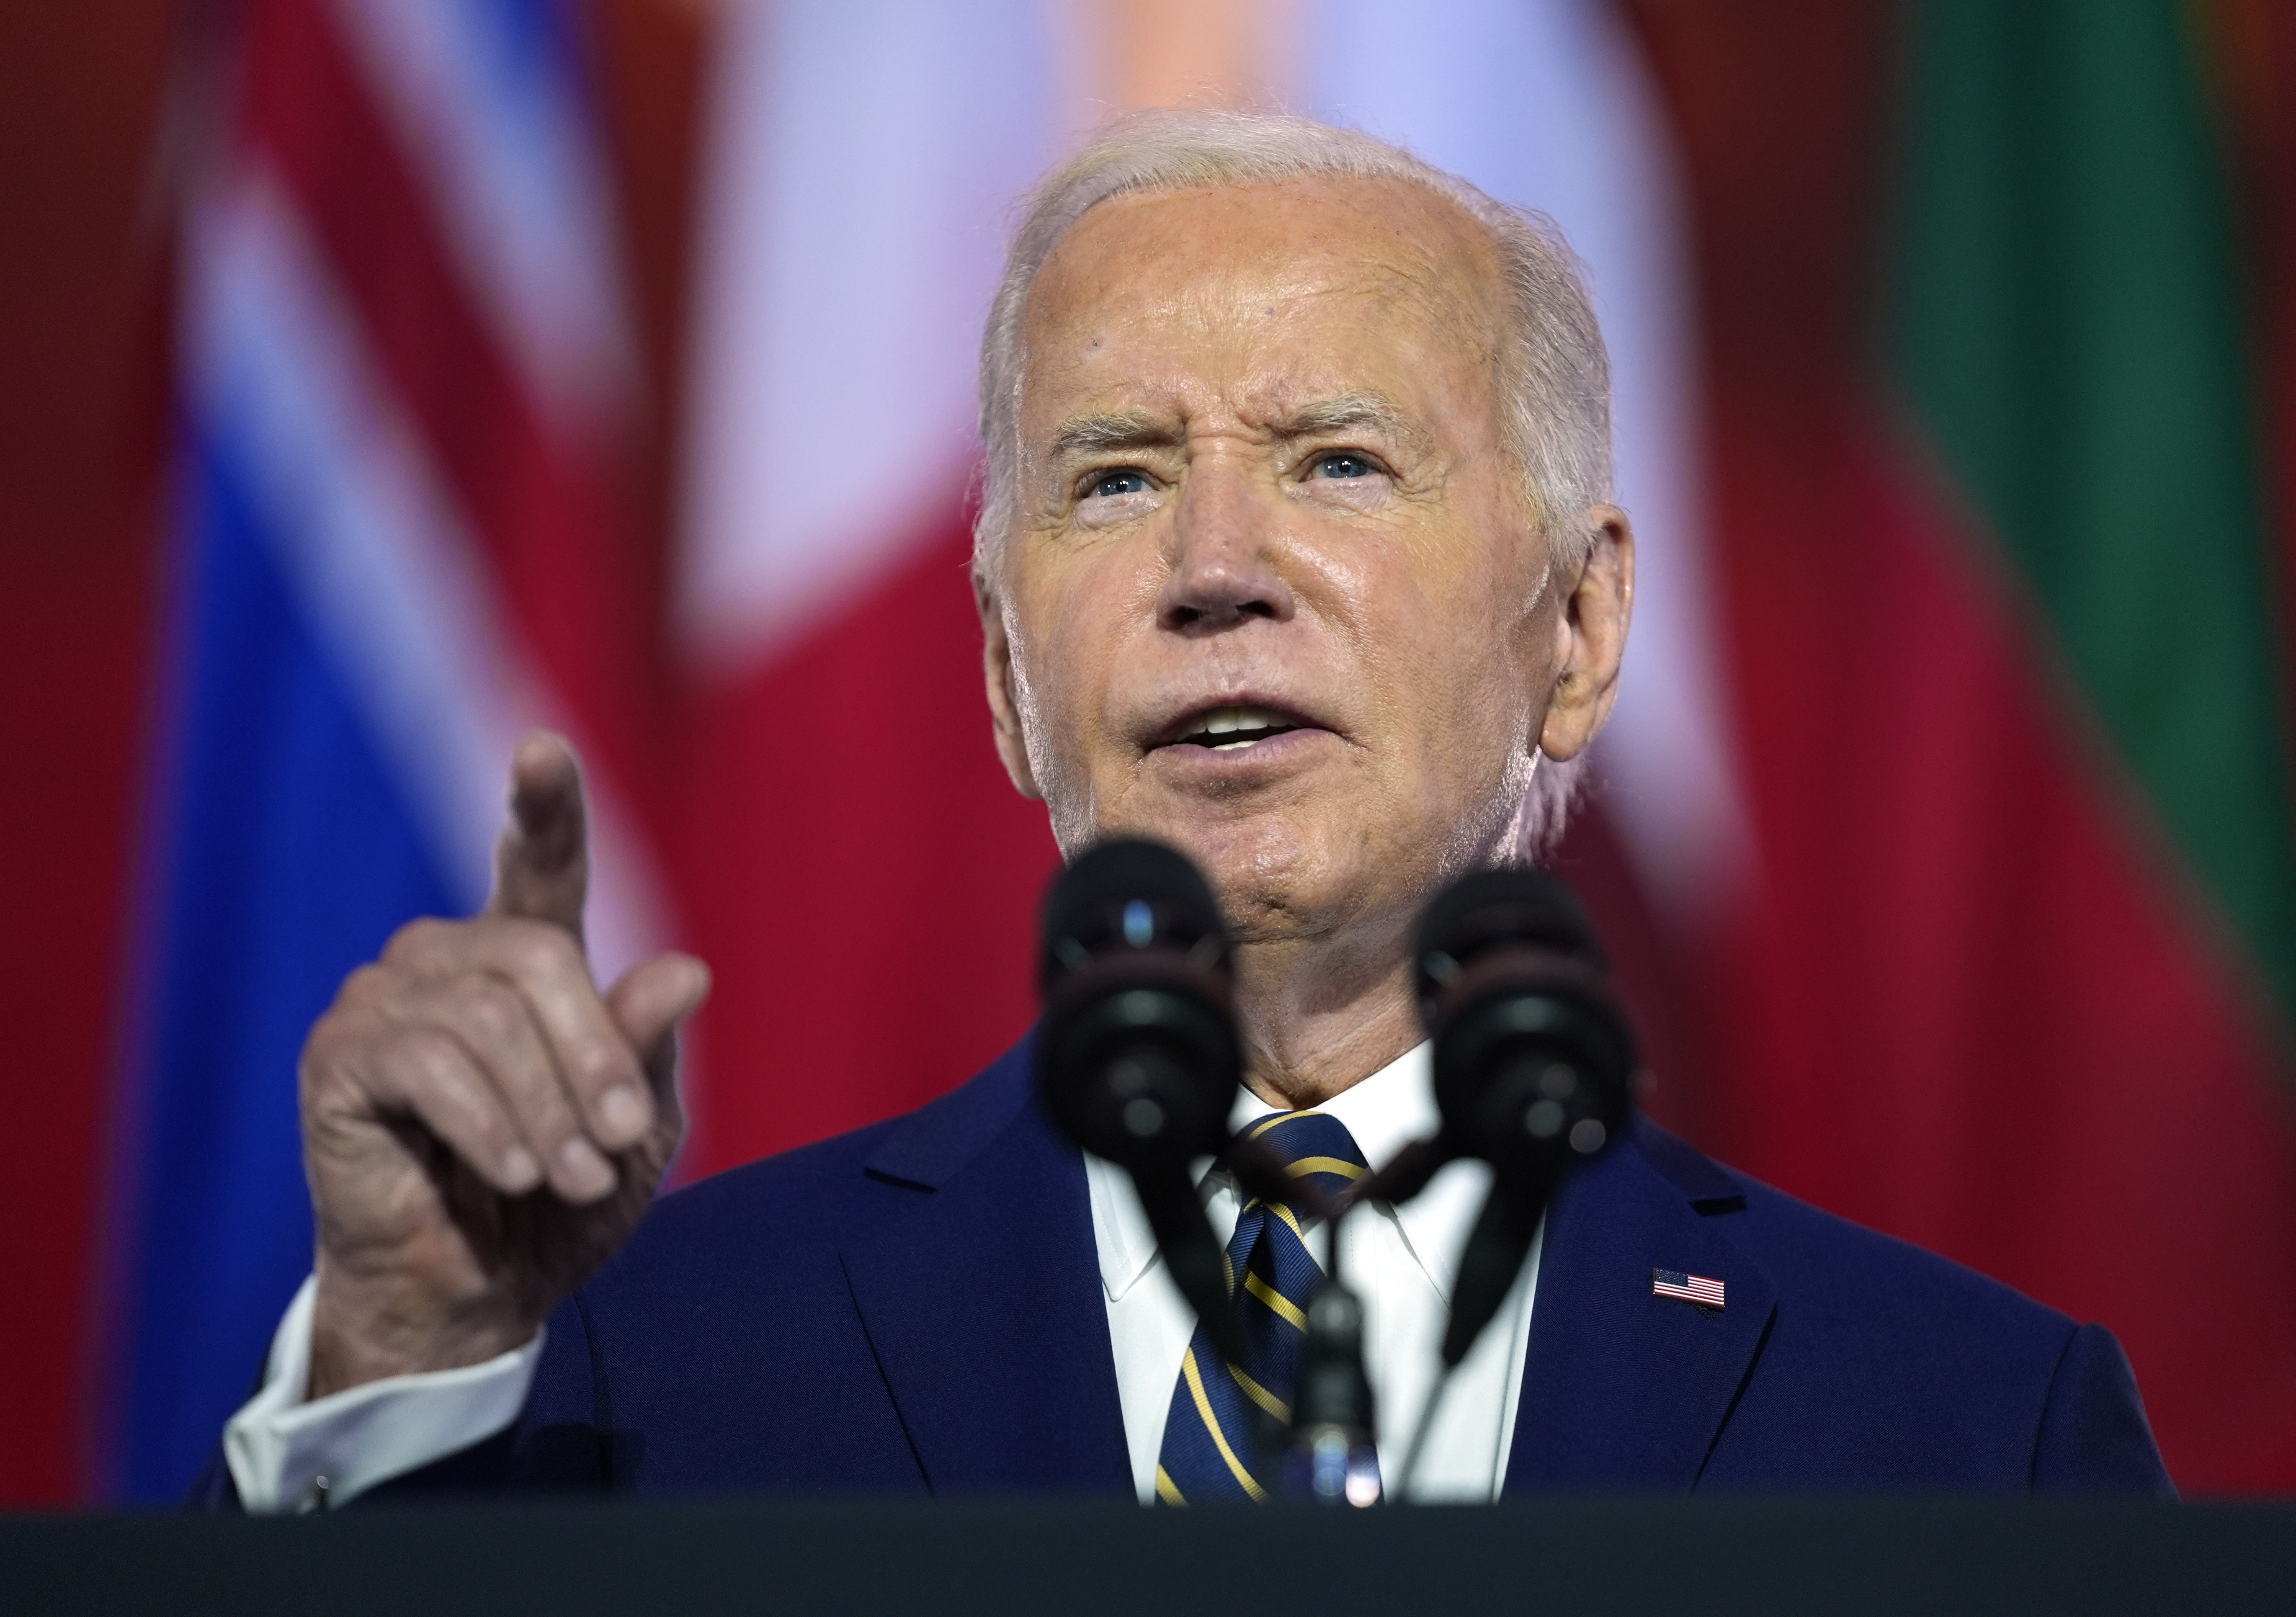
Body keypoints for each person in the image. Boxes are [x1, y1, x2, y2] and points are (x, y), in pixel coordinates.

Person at [208, 110, 2170, 1510]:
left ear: (1577, 629)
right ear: (1003, 676)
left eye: (1335, 461)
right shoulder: (635, 1374)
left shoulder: (1961, 1430)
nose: (1216, 567)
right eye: (1122, 479)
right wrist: (398, 1354)